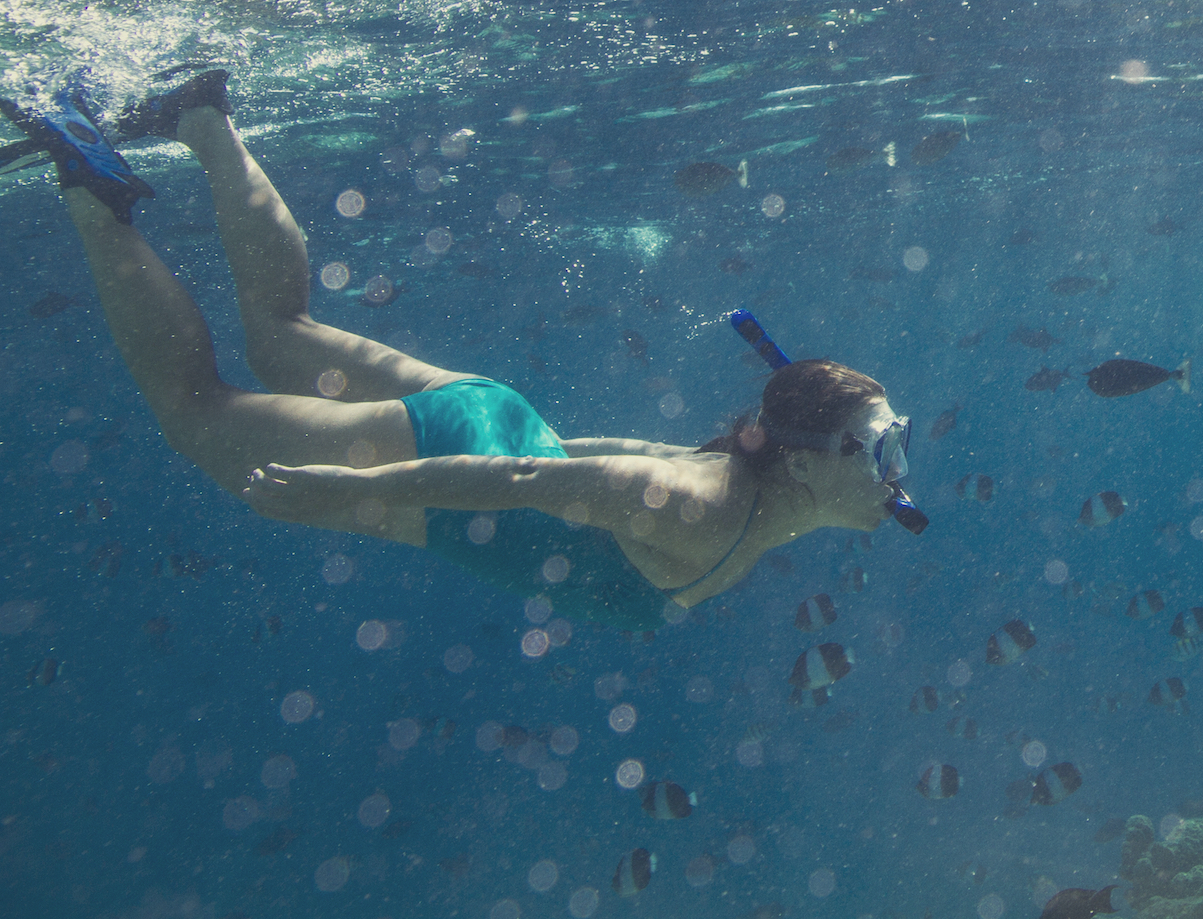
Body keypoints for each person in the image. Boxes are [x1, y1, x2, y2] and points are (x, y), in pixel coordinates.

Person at [3, 67, 912, 631]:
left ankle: (204, 117)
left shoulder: (740, 492)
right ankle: (87, 183)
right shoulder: (707, 509)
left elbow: (576, 460)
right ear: (804, 461)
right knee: (195, 412)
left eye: (894, 444)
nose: (899, 472)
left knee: (283, 335)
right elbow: (529, 486)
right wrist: (360, 487)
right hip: (459, 461)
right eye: (882, 449)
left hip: (493, 420)